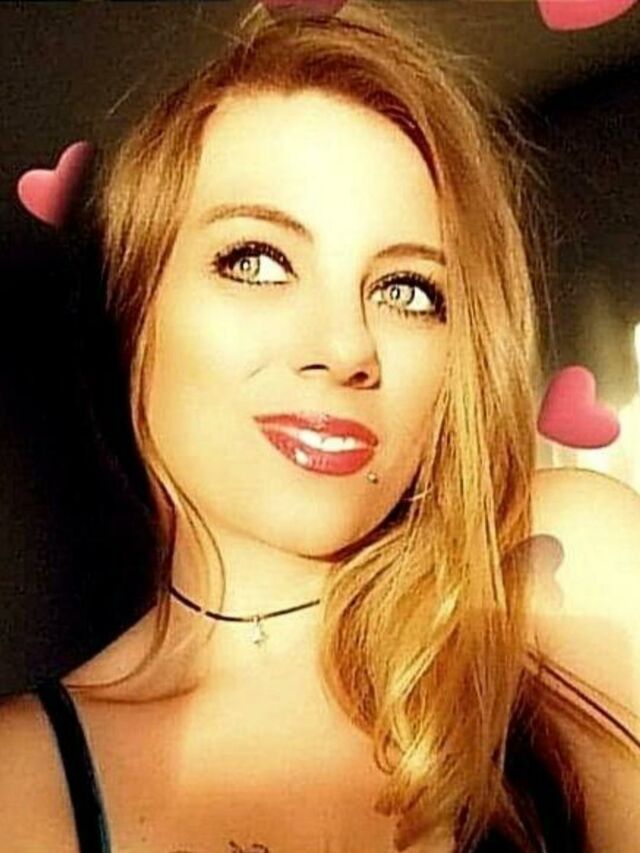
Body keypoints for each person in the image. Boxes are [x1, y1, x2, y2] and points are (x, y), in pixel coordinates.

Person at [1, 1, 639, 851]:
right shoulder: (20, 780)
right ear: (134, 312)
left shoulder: (553, 573)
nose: (346, 349)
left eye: (407, 290)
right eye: (257, 261)